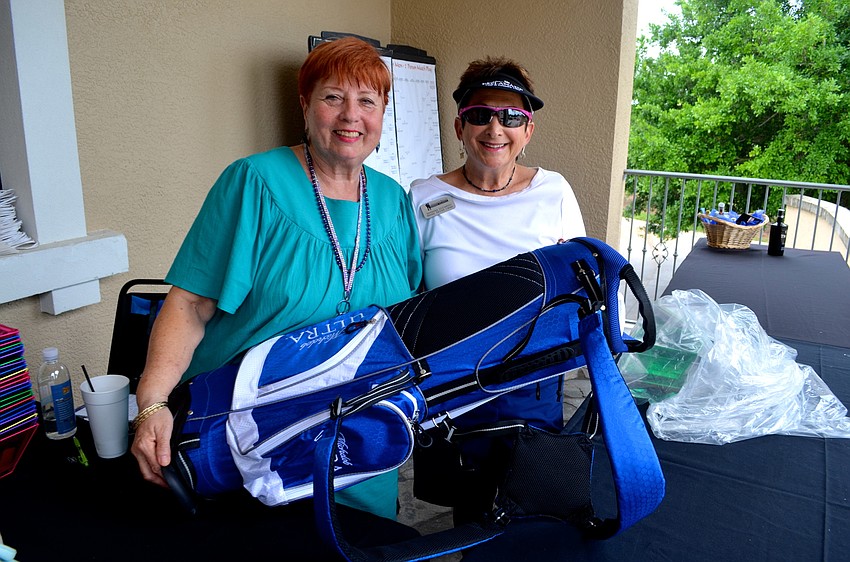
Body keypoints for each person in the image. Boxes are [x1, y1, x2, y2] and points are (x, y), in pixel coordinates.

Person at [131, 37, 422, 521]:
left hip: (358, 446)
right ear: (305, 105)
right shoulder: (255, 183)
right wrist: (151, 403)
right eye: (333, 98)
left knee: (364, 544)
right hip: (252, 442)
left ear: (383, 113)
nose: (351, 116)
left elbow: (405, 319)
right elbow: (189, 304)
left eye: (367, 101)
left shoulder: (394, 202)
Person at [408, 56, 586, 521]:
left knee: (531, 499)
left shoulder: (555, 193)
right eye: (480, 114)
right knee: (468, 505)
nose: (495, 128)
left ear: (528, 131)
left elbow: (576, 284)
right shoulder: (424, 197)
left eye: (511, 117)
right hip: (452, 384)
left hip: (532, 376)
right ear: (459, 126)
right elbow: (409, 294)